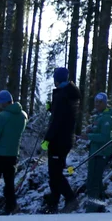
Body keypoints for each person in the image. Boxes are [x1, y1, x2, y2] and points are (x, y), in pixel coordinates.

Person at [42, 67, 81, 213]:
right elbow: (65, 115)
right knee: (55, 172)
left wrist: (47, 139)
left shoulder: (62, 95)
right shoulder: (70, 93)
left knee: (55, 173)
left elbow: (57, 121)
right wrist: (52, 108)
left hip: (58, 140)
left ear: (56, 79)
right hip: (66, 139)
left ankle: (70, 199)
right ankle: (53, 202)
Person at [0, 90, 27, 215]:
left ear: (4, 103)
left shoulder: (2, 116)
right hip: (12, 154)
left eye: (0, 103)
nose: (0, 106)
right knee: (9, 182)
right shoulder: (23, 115)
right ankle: (11, 205)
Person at [85, 92, 112, 212]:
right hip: (94, 152)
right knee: (94, 180)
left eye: (100, 102)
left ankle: (92, 209)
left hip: (101, 153)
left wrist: (89, 136)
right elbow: (97, 131)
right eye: (96, 102)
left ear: (105, 103)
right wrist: (90, 130)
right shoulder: (99, 117)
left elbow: (105, 137)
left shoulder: (108, 118)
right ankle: (100, 207)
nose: (97, 104)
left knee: (94, 182)